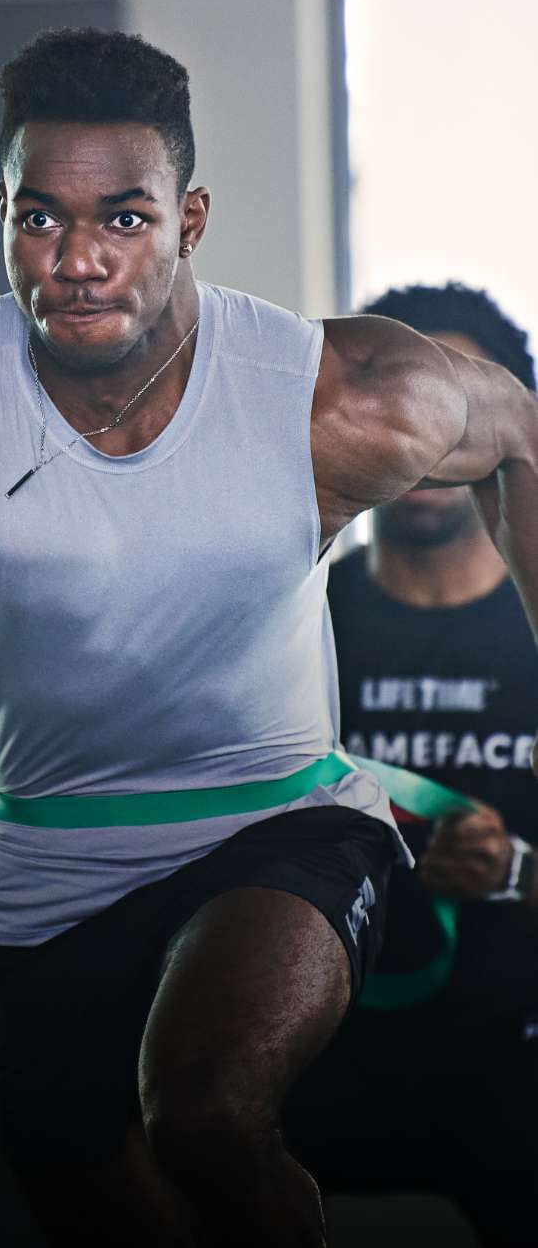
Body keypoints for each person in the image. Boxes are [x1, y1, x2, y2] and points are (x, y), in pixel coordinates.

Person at [0, 29, 538, 1248]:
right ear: (2, 213)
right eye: (40, 219)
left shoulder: (330, 394)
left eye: (122, 220)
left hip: (282, 824)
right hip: (40, 873)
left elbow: (522, 434)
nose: (76, 261)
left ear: (189, 219)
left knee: (203, 1114)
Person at [285, 283, 538, 1248]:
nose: (424, 433)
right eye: (397, 396)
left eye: (454, 404)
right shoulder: (289, 624)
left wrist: (514, 872)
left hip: (511, 1065)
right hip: (314, 1055)